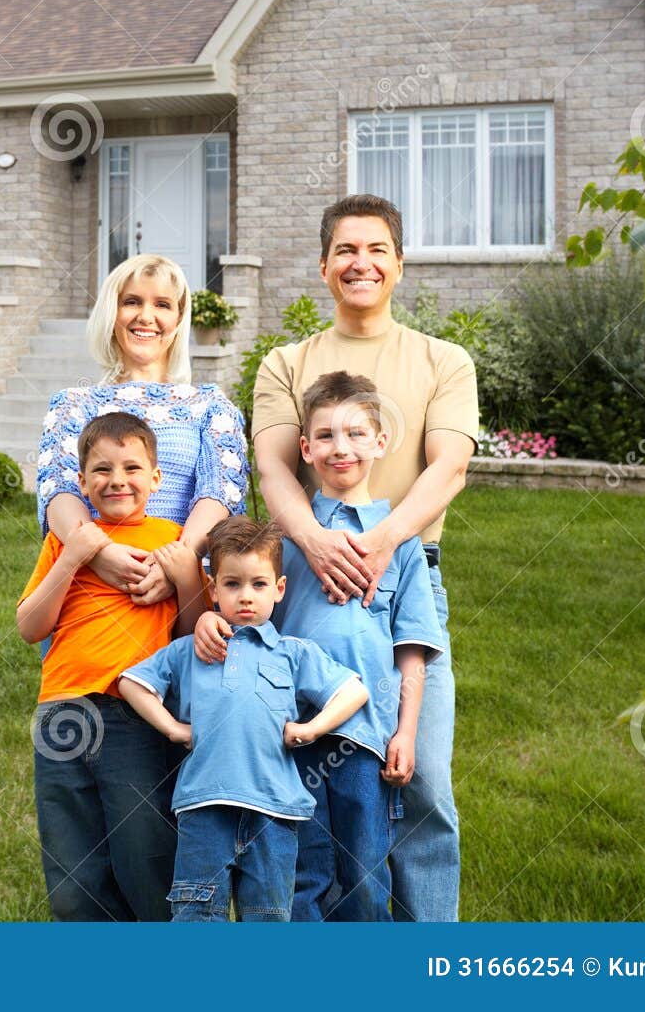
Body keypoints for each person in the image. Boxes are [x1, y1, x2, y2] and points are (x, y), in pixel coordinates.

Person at [222, 194, 478, 921]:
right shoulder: (286, 361)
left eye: (376, 249)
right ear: (324, 265)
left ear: (398, 263)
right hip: (306, 584)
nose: (360, 262)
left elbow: (448, 466)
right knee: (304, 779)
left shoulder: (442, 360)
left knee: (420, 778)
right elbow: (272, 468)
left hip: (401, 579)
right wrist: (313, 540)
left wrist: (383, 539)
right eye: (345, 250)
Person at [201, 370, 444, 920]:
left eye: (357, 434)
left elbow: (411, 647)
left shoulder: (398, 542)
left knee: (363, 872)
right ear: (305, 448)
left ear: (381, 442)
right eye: (327, 436)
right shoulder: (282, 543)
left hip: (366, 739)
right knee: (302, 873)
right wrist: (203, 622)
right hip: (290, 737)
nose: (342, 448)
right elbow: (237, 606)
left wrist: (405, 732)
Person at [118, 516, 366, 922]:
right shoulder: (192, 650)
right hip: (204, 807)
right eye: (232, 584)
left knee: (267, 918)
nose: (246, 596)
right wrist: (173, 728)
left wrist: (310, 729)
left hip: (273, 813)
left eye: (259, 584)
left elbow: (353, 691)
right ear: (213, 589)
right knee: (196, 917)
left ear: (279, 589)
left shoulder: (292, 653)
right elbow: (132, 683)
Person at [17, 411, 207, 920]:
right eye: (101, 470)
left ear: (156, 478)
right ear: (81, 482)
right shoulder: (69, 542)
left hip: (135, 715)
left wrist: (187, 579)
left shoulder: (171, 539)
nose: (117, 480)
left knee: (144, 852)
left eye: (131, 468)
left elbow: (195, 640)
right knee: (73, 862)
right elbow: (30, 626)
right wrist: (72, 558)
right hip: (62, 710)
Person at [37, 253, 247, 629]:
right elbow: (60, 491)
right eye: (131, 301)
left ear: (179, 319)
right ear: (111, 312)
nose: (145, 316)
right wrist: (101, 554)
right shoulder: (73, 406)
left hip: (183, 600)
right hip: (92, 596)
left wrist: (174, 566)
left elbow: (218, 495)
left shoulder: (210, 407)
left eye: (162, 304)